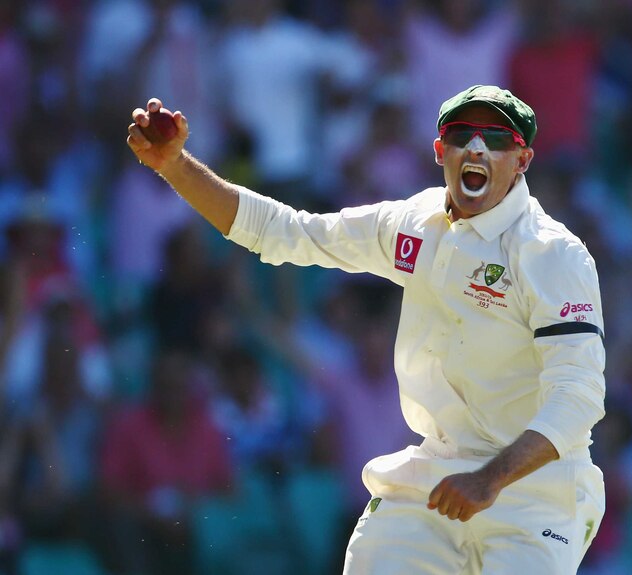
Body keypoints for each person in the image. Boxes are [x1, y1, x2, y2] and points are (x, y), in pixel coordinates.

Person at [127, 84, 606, 574]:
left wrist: (491, 477)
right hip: (438, 475)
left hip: (538, 490)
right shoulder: (412, 223)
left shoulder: (553, 254)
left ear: (522, 160)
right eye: (462, 134)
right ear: (441, 151)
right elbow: (284, 232)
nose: (477, 148)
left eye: (497, 138)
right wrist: (174, 165)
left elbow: (580, 394)